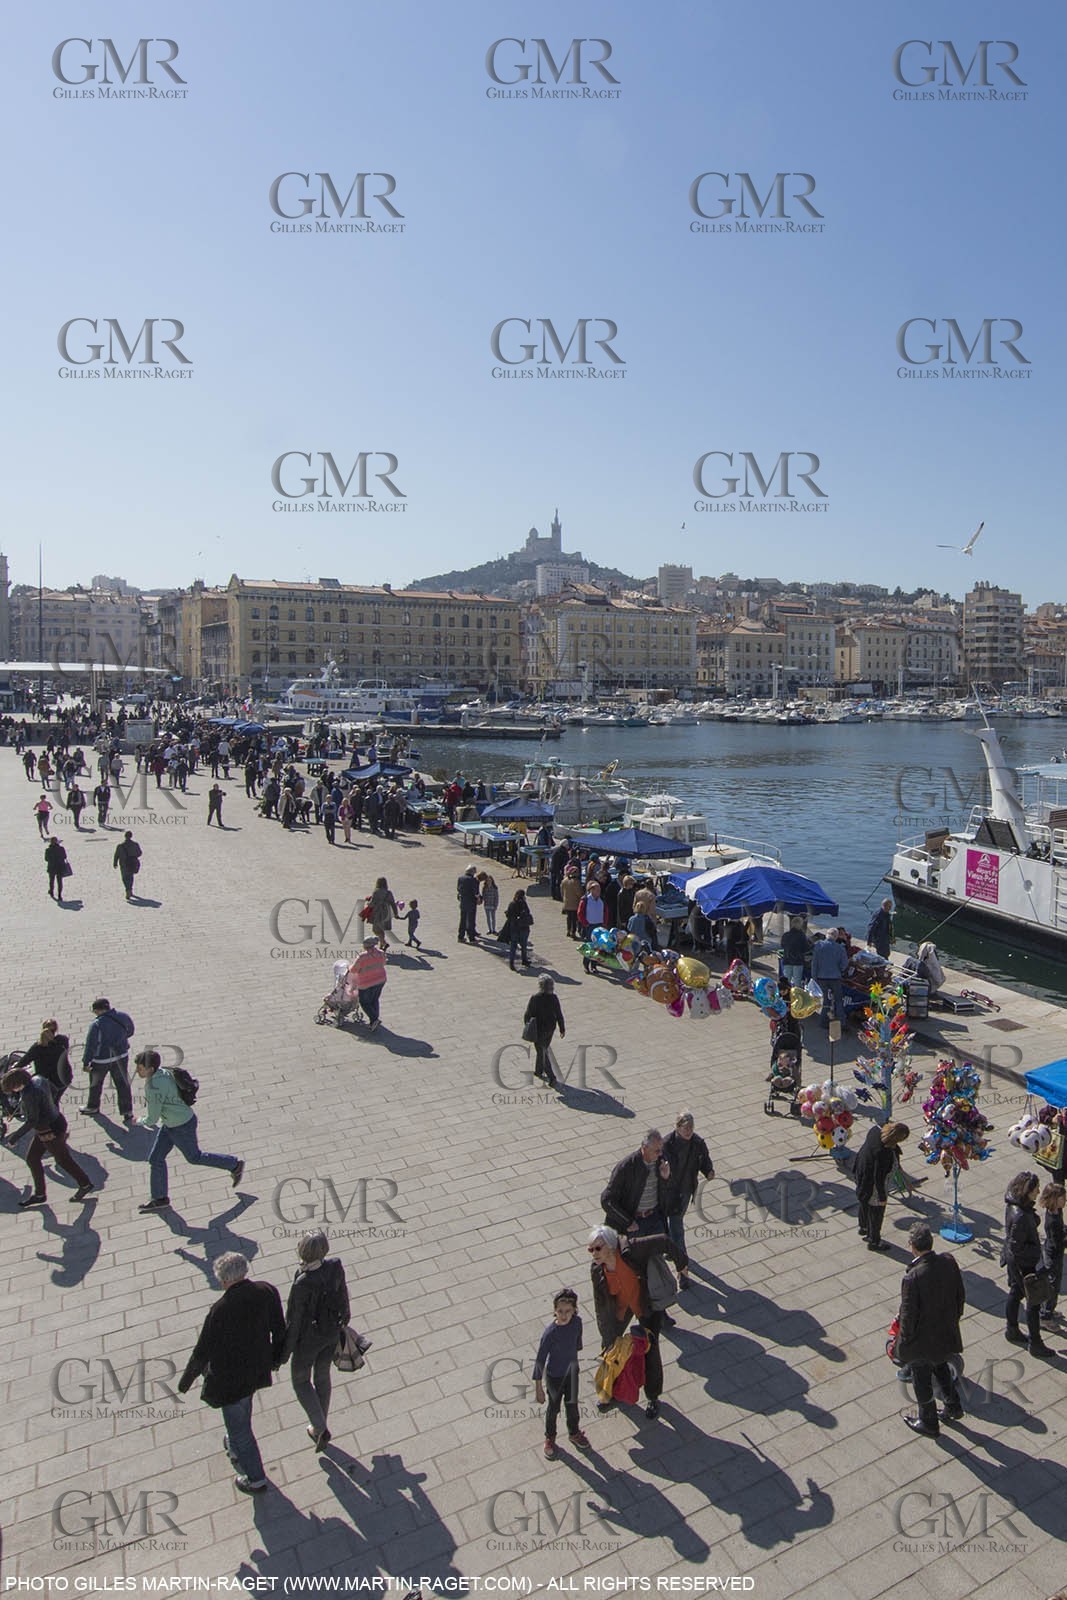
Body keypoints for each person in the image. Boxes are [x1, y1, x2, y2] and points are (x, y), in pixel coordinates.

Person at [177, 1252, 285, 1494]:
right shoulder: (267, 1291)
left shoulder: (221, 1309)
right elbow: (279, 1329)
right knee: (243, 1411)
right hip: (257, 1369)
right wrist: (276, 1360)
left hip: (231, 1379)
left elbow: (202, 1350)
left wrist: (185, 1381)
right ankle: (235, 1441)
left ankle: (255, 1478)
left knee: (241, 1432)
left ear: (224, 1280)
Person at [588, 1225, 682, 1421]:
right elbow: (600, 1302)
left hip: (645, 1304)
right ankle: (611, 1394)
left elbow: (664, 1240)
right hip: (621, 1308)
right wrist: (607, 1332)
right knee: (610, 1349)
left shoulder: (632, 1249)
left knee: (650, 1350)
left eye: (597, 1248)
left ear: (610, 1245)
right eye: (591, 1249)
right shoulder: (597, 1269)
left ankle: (653, 1397)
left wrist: (682, 1263)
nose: (593, 1253)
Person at [134, 1049, 243, 1211]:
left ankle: (234, 1164)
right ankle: (160, 1198)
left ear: (150, 1069)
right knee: (156, 1158)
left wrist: (137, 1121)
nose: (137, 1071)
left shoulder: (153, 1086)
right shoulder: (164, 1072)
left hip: (180, 1126)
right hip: (173, 1123)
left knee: (194, 1157)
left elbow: (152, 1119)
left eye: (140, 1068)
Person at [280, 1230, 351, 1450]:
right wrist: (344, 1320)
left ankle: (320, 1427)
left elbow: (293, 1322)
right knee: (322, 1377)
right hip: (330, 1333)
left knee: (301, 1381)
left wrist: (283, 1354)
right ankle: (318, 1426)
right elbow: (343, 1296)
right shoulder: (335, 1266)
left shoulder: (302, 1283)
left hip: (307, 1342)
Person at [896, 1222, 965, 1437]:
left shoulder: (913, 1277)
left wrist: (905, 1341)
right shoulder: (948, 1262)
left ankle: (929, 1421)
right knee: (941, 1365)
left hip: (922, 1339)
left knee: (921, 1379)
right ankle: (953, 1406)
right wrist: (954, 1319)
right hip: (945, 1330)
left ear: (912, 1246)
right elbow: (960, 1296)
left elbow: (908, 1315)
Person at [1, 1066, 95, 1207]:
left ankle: (85, 1184)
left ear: (17, 1084)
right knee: (32, 1159)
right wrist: (49, 1107)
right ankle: (40, 1194)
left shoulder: (28, 1094)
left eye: (12, 1088)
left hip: (49, 1131)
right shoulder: (38, 1079)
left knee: (63, 1160)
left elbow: (31, 1120)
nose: (13, 1092)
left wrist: (14, 1138)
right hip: (55, 1122)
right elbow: (55, 1090)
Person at [533, 1288, 590, 1459]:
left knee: (572, 1405)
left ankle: (574, 1432)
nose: (564, 1315)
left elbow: (577, 1343)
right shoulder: (550, 1333)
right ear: (554, 1311)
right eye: (560, 1311)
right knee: (553, 1408)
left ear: (574, 1310)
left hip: (572, 1373)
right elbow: (540, 1359)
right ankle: (550, 1437)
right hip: (555, 1377)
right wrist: (538, 1387)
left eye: (568, 1311)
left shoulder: (577, 1323)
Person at [662, 1112, 714, 1290]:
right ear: (677, 1127)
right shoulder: (666, 1144)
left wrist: (708, 1171)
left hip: (684, 1191)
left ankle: (678, 1261)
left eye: (691, 1128)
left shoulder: (697, 1143)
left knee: (676, 1226)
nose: (689, 1131)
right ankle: (677, 1261)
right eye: (686, 1128)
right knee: (670, 1227)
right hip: (666, 1192)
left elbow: (704, 1159)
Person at [1002, 1171, 1051, 1355]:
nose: (1038, 1192)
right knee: (1033, 1301)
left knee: (1015, 1293)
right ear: (1027, 1191)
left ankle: (1012, 1329)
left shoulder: (1016, 1205)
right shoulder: (1021, 1216)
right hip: (1024, 1264)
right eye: (1036, 1189)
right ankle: (1035, 1343)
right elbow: (1017, 1247)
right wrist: (1036, 1252)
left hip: (1017, 1262)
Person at [601, 1130, 671, 1245]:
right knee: (635, 1261)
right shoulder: (626, 1167)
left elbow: (666, 1191)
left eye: (661, 1150)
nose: (660, 1154)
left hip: (655, 1218)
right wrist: (627, 1222)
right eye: (657, 1151)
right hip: (635, 1223)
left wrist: (666, 1178)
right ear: (644, 1148)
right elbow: (607, 1200)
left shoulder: (661, 1162)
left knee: (657, 1258)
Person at [851, 1121, 910, 1251]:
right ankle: (874, 1241)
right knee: (876, 1212)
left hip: (861, 1172)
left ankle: (863, 1227)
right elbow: (879, 1176)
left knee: (864, 1202)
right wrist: (882, 1197)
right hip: (873, 1184)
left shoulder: (874, 1131)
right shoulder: (884, 1153)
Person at [81, 998, 136, 1123]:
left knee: (95, 1084)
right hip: (121, 1056)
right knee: (123, 1084)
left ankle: (93, 1106)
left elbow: (91, 1045)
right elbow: (131, 1031)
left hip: (101, 1060)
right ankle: (127, 1112)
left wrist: (86, 1062)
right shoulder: (123, 1016)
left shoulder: (96, 1025)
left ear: (97, 1010)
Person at [15, 1021, 73, 1106]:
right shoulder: (63, 1040)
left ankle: (54, 1116)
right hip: (65, 1078)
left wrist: (13, 1068)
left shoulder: (38, 1047)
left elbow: (24, 1061)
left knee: (49, 1104)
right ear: (56, 1029)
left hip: (48, 1082)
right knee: (54, 1101)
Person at [524, 974, 565, 1087]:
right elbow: (559, 1014)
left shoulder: (535, 998)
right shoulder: (554, 998)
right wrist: (562, 1028)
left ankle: (552, 1077)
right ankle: (538, 1071)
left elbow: (528, 1015)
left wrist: (528, 1027)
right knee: (542, 1049)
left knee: (542, 1052)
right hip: (550, 1029)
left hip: (539, 1030)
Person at [344, 938, 388, 1030]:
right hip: (380, 980)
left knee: (364, 1002)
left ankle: (374, 1019)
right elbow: (384, 963)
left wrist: (348, 966)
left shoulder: (362, 956)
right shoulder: (380, 952)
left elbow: (353, 970)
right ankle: (374, 1020)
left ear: (365, 945)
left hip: (366, 983)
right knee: (374, 999)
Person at [1039, 1182, 1066, 1327]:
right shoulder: (1053, 1220)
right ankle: (1045, 1316)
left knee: (1055, 1284)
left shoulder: (1057, 1212)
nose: (1065, 1200)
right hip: (1053, 1256)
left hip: (1055, 1253)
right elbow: (1058, 1242)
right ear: (1055, 1199)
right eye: (1063, 1198)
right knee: (1053, 1286)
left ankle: (1049, 1309)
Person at [810, 932, 848, 1025]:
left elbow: (814, 963)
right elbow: (845, 963)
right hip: (835, 977)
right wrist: (840, 970)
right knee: (838, 1000)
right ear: (836, 937)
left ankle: (823, 1022)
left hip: (821, 977)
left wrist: (814, 977)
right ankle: (841, 1022)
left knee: (825, 1001)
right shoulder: (840, 948)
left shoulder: (819, 946)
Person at [577, 881, 606, 972]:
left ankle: (594, 965)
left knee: (598, 947)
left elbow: (606, 912)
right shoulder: (585, 900)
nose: (599, 892)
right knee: (590, 947)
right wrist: (586, 923)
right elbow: (580, 913)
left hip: (599, 925)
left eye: (599, 890)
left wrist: (604, 923)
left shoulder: (601, 900)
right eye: (597, 890)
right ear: (592, 890)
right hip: (590, 926)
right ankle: (586, 965)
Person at [503, 889, 533, 970]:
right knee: (523, 945)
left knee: (513, 946)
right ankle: (524, 960)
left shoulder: (512, 903)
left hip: (514, 928)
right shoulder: (523, 903)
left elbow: (508, 915)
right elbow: (528, 912)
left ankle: (511, 963)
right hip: (523, 927)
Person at [368, 878, 399, 951]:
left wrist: (368, 904)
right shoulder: (389, 893)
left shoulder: (376, 892)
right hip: (387, 913)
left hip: (378, 913)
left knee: (376, 930)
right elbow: (393, 904)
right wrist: (396, 914)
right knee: (382, 929)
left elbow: (372, 903)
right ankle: (381, 945)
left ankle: (384, 943)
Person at [780, 917, 810, 989]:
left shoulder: (786, 935)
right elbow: (806, 948)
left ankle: (785, 996)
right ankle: (796, 997)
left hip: (787, 959)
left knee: (786, 981)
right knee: (797, 982)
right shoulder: (802, 935)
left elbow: (782, 945)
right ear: (800, 925)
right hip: (798, 961)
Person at [113, 831, 142, 900]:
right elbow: (140, 853)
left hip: (123, 864)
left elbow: (116, 855)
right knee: (130, 877)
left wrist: (115, 863)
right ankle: (130, 889)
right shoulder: (135, 844)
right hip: (132, 863)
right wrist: (134, 856)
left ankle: (128, 889)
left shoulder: (120, 846)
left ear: (125, 836)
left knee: (124, 878)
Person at [457, 865, 480, 944]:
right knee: (471, 921)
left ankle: (460, 936)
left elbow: (458, 889)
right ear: (472, 872)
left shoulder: (460, 878)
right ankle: (471, 938)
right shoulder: (473, 880)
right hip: (471, 903)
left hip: (463, 902)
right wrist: (479, 899)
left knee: (462, 920)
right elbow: (476, 893)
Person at [45, 836, 71, 901]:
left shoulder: (48, 850)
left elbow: (46, 859)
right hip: (60, 867)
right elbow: (65, 856)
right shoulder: (61, 848)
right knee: (59, 881)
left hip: (51, 867)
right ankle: (59, 895)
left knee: (51, 881)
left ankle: (51, 892)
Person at [561, 869, 583, 940]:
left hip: (566, 903)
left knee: (569, 918)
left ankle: (568, 930)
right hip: (574, 904)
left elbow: (561, 891)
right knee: (574, 919)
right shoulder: (576, 882)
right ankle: (573, 932)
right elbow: (579, 893)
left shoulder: (564, 880)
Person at [476, 871, 499, 935]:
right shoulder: (484, 888)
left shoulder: (495, 888)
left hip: (493, 904)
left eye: (490, 880)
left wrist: (496, 905)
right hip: (486, 904)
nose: (489, 881)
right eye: (488, 880)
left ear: (492, 881)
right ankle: (490, 929)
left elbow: (496, 897)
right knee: (488, 918)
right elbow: (483, 896)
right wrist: (480, 901)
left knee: (493, 918)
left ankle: (494, 929)